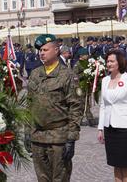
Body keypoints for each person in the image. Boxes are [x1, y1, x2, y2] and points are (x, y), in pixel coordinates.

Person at [27, 34, 84, 182]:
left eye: (45, 49)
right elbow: (29, 105)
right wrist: (27, 132)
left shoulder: (67, 75)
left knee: (60, 179)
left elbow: (76, 107)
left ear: (56, 50)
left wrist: (71, 139)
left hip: (58, 138)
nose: (41, 53)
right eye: (40, 50)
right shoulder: (35, 74)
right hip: (38, 136)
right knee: (42, 179)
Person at [97, 49, 127, 182]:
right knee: (115, 164)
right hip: (109, 128)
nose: (108, 64)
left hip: (125, 128)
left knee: (126, 166)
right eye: (107, 61)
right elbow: (103, 105)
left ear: (119, 62)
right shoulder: (104, 80)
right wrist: (100, 128)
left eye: (111, 61)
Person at [73, 48, 96, 126]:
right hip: (80, 87)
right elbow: (75, 76)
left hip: (87, 86)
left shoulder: (87, 63)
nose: (87, 56)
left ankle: (81, 120)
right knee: (82, 104)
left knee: (86, 103)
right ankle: (88, 120)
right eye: (86, 55)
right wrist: (85, 74)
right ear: (81, 56)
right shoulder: (78, 64)